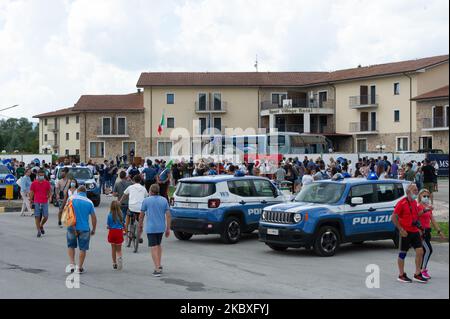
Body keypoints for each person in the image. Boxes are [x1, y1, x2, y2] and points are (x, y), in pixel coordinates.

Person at [391, 184, 427, 283]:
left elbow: (416, 216)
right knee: (403, 254)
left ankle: (417, 273)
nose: (416, 192)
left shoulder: (414, 203)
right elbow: (393, 217)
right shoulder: (401, 203)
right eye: (414, 190)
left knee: (420, 251)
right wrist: (400, 229)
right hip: (405, 232)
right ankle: (401, 275)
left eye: (417, 190)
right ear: (408, 192)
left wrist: (419, 227)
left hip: (414, 231)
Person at [139, 184, 171, 277]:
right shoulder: (164, 200)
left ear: (150, 191)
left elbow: (141, 215)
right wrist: (168, 228)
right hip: (161, 227)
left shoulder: (146, 201)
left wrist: (140, 225)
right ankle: (159, 264)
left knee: (153, 247)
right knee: (158, 245)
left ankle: (157, 269)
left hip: (151, 228)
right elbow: (168, 215)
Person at [66, 186, 97, 274]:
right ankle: (79, 267)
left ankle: (72, 264)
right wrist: (94, 229)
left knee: (71, 246)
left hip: (72, 226)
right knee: (82, 248)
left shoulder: (71, 198)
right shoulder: (89, 202)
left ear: (77, 191)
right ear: (85, 192)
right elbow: (94, 217)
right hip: (84, 228)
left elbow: (67, 212)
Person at [417, 189, 445, 279]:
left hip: (427, 231)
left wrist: (439, 231)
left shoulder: (428, 207)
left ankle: (421, 269)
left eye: (428, 196)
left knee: (425, 251)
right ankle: (422, 270)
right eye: (424, 196)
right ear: (420, 196)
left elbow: (432, 219)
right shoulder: (419, 206)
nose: (426, 198)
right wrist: (425, 209)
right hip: (421, 231)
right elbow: (417, 215)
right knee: (429, 250)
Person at [120, 175, 148, 243]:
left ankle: (126, 232)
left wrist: (120, 202)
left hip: (131, 207)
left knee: (127, 218)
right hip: (140, 208)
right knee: (140, 222)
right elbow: (146, 197)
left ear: (133, 181)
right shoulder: (143, 188)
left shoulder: (130, 187)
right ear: (140, 181)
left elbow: (124, 194)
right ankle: (139, 236)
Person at [29, 170, 52, 238]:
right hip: (37, 201)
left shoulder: (47, 183)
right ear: (37, 175)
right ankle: (38, 231)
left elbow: (49, 191)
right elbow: (31, 192)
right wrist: (31, 201)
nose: (41, 176)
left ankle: (41, 225)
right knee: (37, 216)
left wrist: (49, 196)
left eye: (42, 175)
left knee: (46, 216)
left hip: (44, 201)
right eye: (40, 175)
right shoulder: (34, 183)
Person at [107, 201, 124, 270]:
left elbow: (108, 225)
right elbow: (123, 223)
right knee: (119, 250)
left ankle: (114, 263)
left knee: (113, 249)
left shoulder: (109, 215)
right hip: (119, 232)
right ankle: (119, 259)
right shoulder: (121, 214)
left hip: (112, 232)